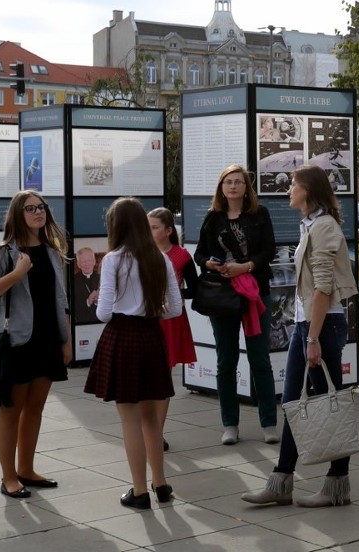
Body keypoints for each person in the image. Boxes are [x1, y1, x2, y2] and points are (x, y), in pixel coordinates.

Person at [242, 164, 358, 508]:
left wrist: (312, 337)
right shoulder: (312, 223)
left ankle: (336, 486)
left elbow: (323, 287)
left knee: (328, 403)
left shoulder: (322, 226)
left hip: (321, 325)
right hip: (309, 324)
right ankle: (282, 482)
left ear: (308, 189)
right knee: (295, 403)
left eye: (293, 184)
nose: (288, 189)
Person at [84, 197, 182, 510]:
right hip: (152, 335)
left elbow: (103, 313)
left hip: (123, 336)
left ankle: (139, 491)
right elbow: (176, 309)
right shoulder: (160, 258)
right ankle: (161, 484)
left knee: (129, 419)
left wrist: (120, 306)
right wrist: (151, 310)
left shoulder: (114, 259)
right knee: (152, 418)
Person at [0, 190, 72, 499]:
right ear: (18, 214)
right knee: (11, 410)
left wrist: (66, 340)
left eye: (41, 207)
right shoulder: (3, 252)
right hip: (16, 341)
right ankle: (8, 477)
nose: (38, 213)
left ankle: (26, 469)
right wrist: (17, 273)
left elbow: (61, 299)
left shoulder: (51, 249)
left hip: (47, 339)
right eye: (30, 209)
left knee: (36, 408)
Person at [193, 164, 279, 446]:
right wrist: (210, 264)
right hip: (222, 294)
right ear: (221, 187)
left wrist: (247, 266)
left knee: (259, 359)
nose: (232, 186)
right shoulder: (212, 217)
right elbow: (199, 253)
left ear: (246, 187)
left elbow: (269, 249)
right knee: (226, 359)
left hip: (255, 292)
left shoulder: (259, 214)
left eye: (238, 182)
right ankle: (229, 424)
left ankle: (269, 423)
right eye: (228, 182)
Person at [148, 207, 198, 452]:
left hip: (170, 320)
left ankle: (157, 432)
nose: (149, 232)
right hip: (146, 319)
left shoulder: (181, 256)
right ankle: (148, 430)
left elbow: (195, 290)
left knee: (164, 377)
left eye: (154, 227)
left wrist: (174, 294)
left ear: (168, 231)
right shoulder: (141, 253)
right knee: (147, 375)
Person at [73, 247, 100, 323]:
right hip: (82, 321)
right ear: (78, 264)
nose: (87, 264)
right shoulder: (74, 280)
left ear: (94, 262)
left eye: (89, 260)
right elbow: (73, 307)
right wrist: (88, 302)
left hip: (100, 320)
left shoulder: (102, 278)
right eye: (83, 261)